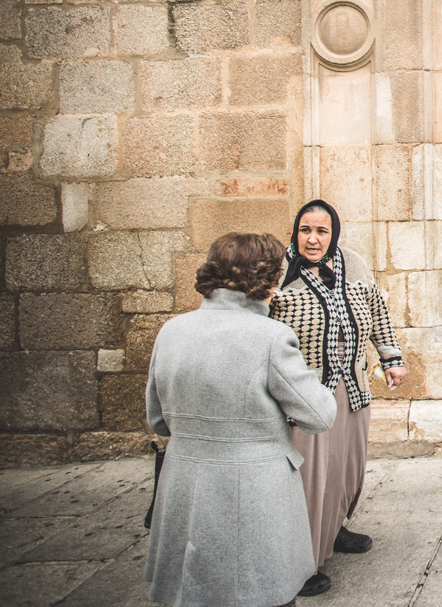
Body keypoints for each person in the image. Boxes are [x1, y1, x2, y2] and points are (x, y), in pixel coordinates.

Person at [144, 233, 338, 607]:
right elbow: (319, 414)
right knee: (261, 592)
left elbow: (158, 419)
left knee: (193, 591)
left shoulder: (172, 330)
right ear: (267, 279)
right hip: (253, 490)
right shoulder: (271, 337)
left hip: (183, 485)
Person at [269, 200, 406, 597]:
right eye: (305, 230)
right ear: (296, 231)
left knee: (348, 466)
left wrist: (391, 357)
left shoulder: (354, 264)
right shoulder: (280, 271)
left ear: (334, 233)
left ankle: (334, 530)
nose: (313, 239)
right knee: (313, 475)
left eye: (322, 231)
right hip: (306, 392)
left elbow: (377, 310)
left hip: (353, 385)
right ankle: (302, 560)